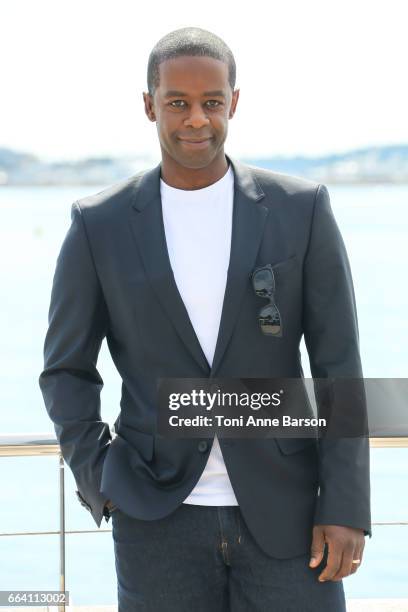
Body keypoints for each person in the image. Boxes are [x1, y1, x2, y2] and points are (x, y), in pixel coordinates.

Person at [39, 26, 371, 611]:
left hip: (288, 517)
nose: (197, 119)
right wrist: (99, 476)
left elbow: (338, 368)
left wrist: (344, 506)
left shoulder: (302, 210)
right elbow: (65, 370)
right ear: (149, 105)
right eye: (178, 103)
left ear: (233, 103)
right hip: (155, 520)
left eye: (212, 102)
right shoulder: (100, 226)